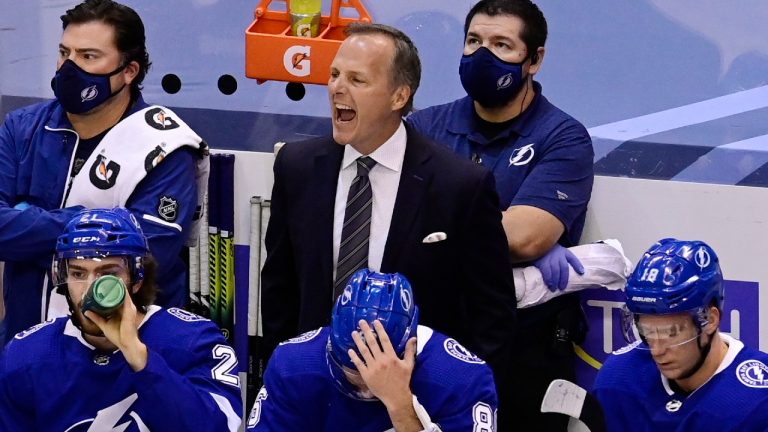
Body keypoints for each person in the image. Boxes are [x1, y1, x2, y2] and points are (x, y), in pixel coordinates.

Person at [260, 21, 516, 400]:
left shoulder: (460, 185)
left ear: (399, 96)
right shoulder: (296, 166)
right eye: (334, 75)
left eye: (357, 80)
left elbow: (491, 315)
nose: (336, 89)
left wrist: (455, 399)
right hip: (315, 393)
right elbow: (280, 288)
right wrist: (285, 378)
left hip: (417, 397)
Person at [407, 0, 594, 428]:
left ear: (535, 59)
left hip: (522, 346)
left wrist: (433, 225)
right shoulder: (424, 129)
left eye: (502, 45)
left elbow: (526, 237)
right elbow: (391, 223)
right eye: (474, 41)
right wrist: (493, 225)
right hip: (428, 337)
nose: (482, 55)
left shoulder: (563, 137)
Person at [0, 0, 208, 342]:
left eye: (88, 56)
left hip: (128, 352)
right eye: (64, 53)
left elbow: (145, 256)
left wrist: (28, 221)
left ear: (129, 71)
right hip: (29, 344)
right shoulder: (22, 128)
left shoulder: (165, 147)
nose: (69, 67)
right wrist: (88, 222)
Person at [0, 208, 242, 431]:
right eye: (78, 273)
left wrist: (139, 357)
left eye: (108, 274)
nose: (91, 291)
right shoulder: (26, 354)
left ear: (137, 279)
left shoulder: (193, 341)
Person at [247, 269, 498, 431]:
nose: (367, 387)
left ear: (411, 343)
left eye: (379, 368)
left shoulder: (462, 379)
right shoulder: (293, 365)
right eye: (354, 370)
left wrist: (401, 407)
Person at [593, 238, 768, 431]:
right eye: (647, 332)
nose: (657, 350)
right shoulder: (618, 380)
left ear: (710, 320)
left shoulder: (759, 401)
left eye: (672, 333)